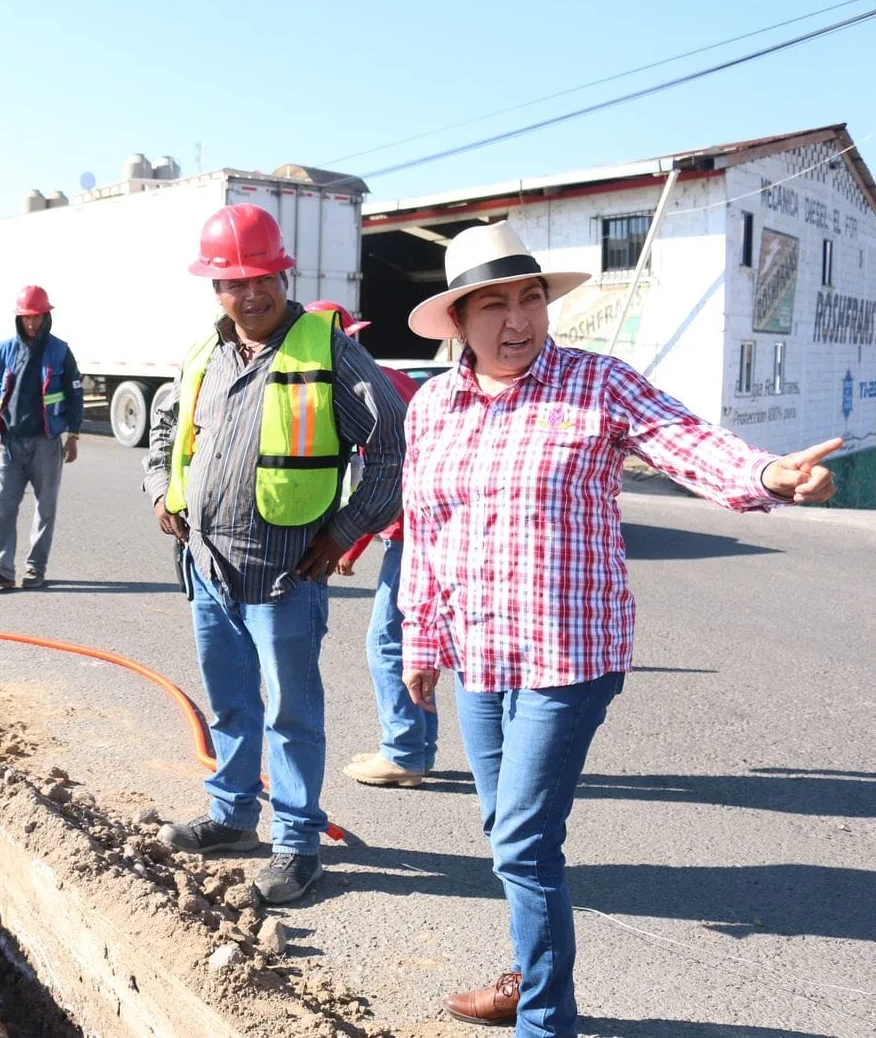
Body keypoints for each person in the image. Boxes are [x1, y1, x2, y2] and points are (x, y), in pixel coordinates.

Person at [398, 222, 839, 1034]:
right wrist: (422, 639)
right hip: (481, 654)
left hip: (569, 654)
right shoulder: (432, 406)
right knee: (506, 831)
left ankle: (545, 1019)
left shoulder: (595, 383)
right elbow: (426, 528)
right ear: (458, 321)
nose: (519, 319)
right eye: (493, 304)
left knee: (523, 842)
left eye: (530, 297)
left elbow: (684, 441)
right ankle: (529, 969)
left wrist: (766, 474)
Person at [144, 204, 407, 904]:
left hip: (285, 574)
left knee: (291, 713)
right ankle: (232, 817)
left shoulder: (328, 351)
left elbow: (391, 449)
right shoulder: (206, 351)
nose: (250, 293)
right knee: (230, 704)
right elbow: (167, 428)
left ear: (283, 272)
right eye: (233, 281)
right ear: (215, 288)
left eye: (262, 276)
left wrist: (346, 529)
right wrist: (160, 494)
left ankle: (296, 845)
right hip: (207, 567)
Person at [303, 300, 437, 789]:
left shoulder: (357, 390)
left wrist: (346, 544)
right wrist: (357, 547)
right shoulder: (389, 378)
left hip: (415, 531)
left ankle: (404, 752)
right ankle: (419, 748)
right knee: (414, 641)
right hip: (424, 527)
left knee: (389, 641)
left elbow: (383, 478)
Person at [0, 285, 83, 591]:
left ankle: (35, 568)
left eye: (37, 317)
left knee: (45, 507)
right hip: (7, 443)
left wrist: (73, 435)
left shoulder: (60, 351)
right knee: (4, 507)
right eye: (26, 318)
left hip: (46, 442)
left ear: (46, 316)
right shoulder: (4, 350)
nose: (32, 324)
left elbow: (75, 395)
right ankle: (2, 570)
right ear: (18, 319)